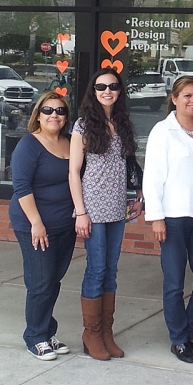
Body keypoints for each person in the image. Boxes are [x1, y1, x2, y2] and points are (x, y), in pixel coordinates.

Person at [143, 76, 193, 364]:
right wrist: (156, 218)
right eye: (187, 95)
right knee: (174, 282)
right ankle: (178, 339)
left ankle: (192, 333)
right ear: (174, 98)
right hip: (173, 218)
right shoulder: (163, 131)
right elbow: (152, 177)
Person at [69, 69, 142, 361]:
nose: (107, 91)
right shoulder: (83, 125)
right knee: (96, 269)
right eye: (101, 86)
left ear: (120, 90)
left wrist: (139, 196)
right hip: (93, 208)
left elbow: (130, 164)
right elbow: (74, 172)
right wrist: (81, 212)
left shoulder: (123, 123)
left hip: (116, 207)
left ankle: (106, 332)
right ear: (93, 90)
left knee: (111, 270)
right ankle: (91, 333)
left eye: (112, 86)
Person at [9, 91, 76, 360]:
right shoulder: (29, 145)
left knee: (53, 280)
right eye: (48, 110)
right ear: (38, 115)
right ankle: (35, 337)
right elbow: (21, 186)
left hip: (64, 224)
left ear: (66, 117)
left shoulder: (71, 142)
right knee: (41, 281)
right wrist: (36, 223)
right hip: (34, 224)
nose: (54, 115)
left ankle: (47, 331)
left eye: (60, 111)